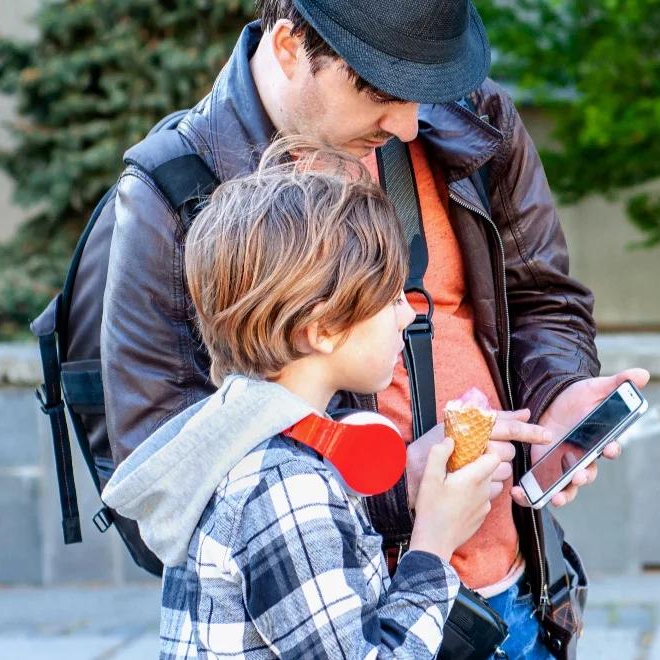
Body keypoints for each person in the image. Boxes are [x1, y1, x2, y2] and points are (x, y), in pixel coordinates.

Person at [87, 0, 650, 656]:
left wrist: (559, 395)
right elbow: (163, 475)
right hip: (351, 619)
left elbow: (544, 298)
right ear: (292, 45)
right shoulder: (171, 189)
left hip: (512, 600)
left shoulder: (471, 113)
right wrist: (388, 491)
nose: (410, 124)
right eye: (383, 90)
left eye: (425, 91)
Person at [103, 143, 511, 658]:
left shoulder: (246, 447)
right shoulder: (285, 488)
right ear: (321, 329)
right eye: (388, 298)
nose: (408, 316)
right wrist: (434, 544)